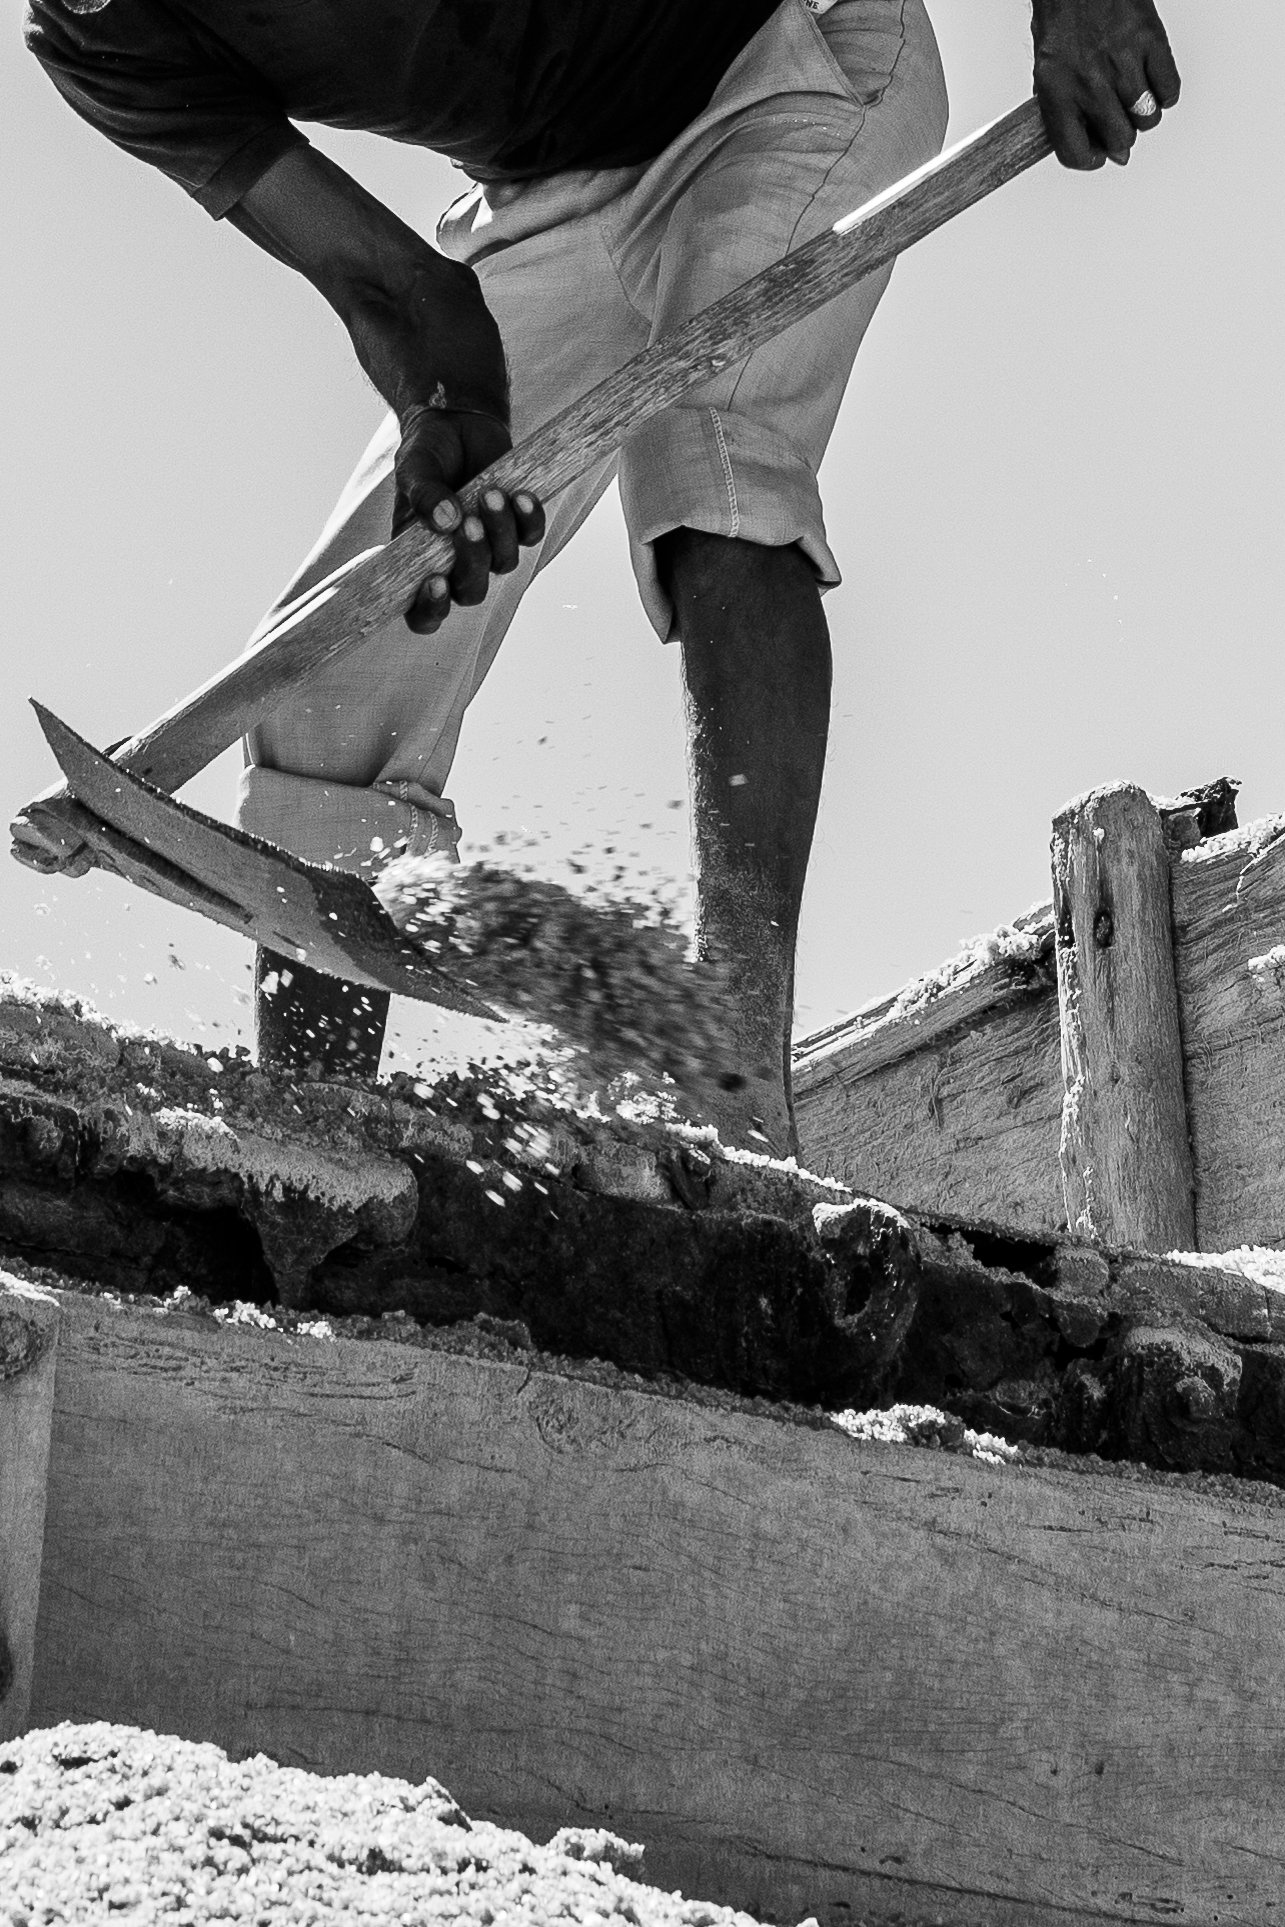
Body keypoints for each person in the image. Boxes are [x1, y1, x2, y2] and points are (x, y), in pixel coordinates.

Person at [24, 0, 1178, 1155]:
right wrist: (449, 409)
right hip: (544, 193)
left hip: (783, 66)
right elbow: (398, 296)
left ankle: (733, 1076)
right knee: (335, 673)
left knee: (708, 460)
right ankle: (319, 1161)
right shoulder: (102, 31)